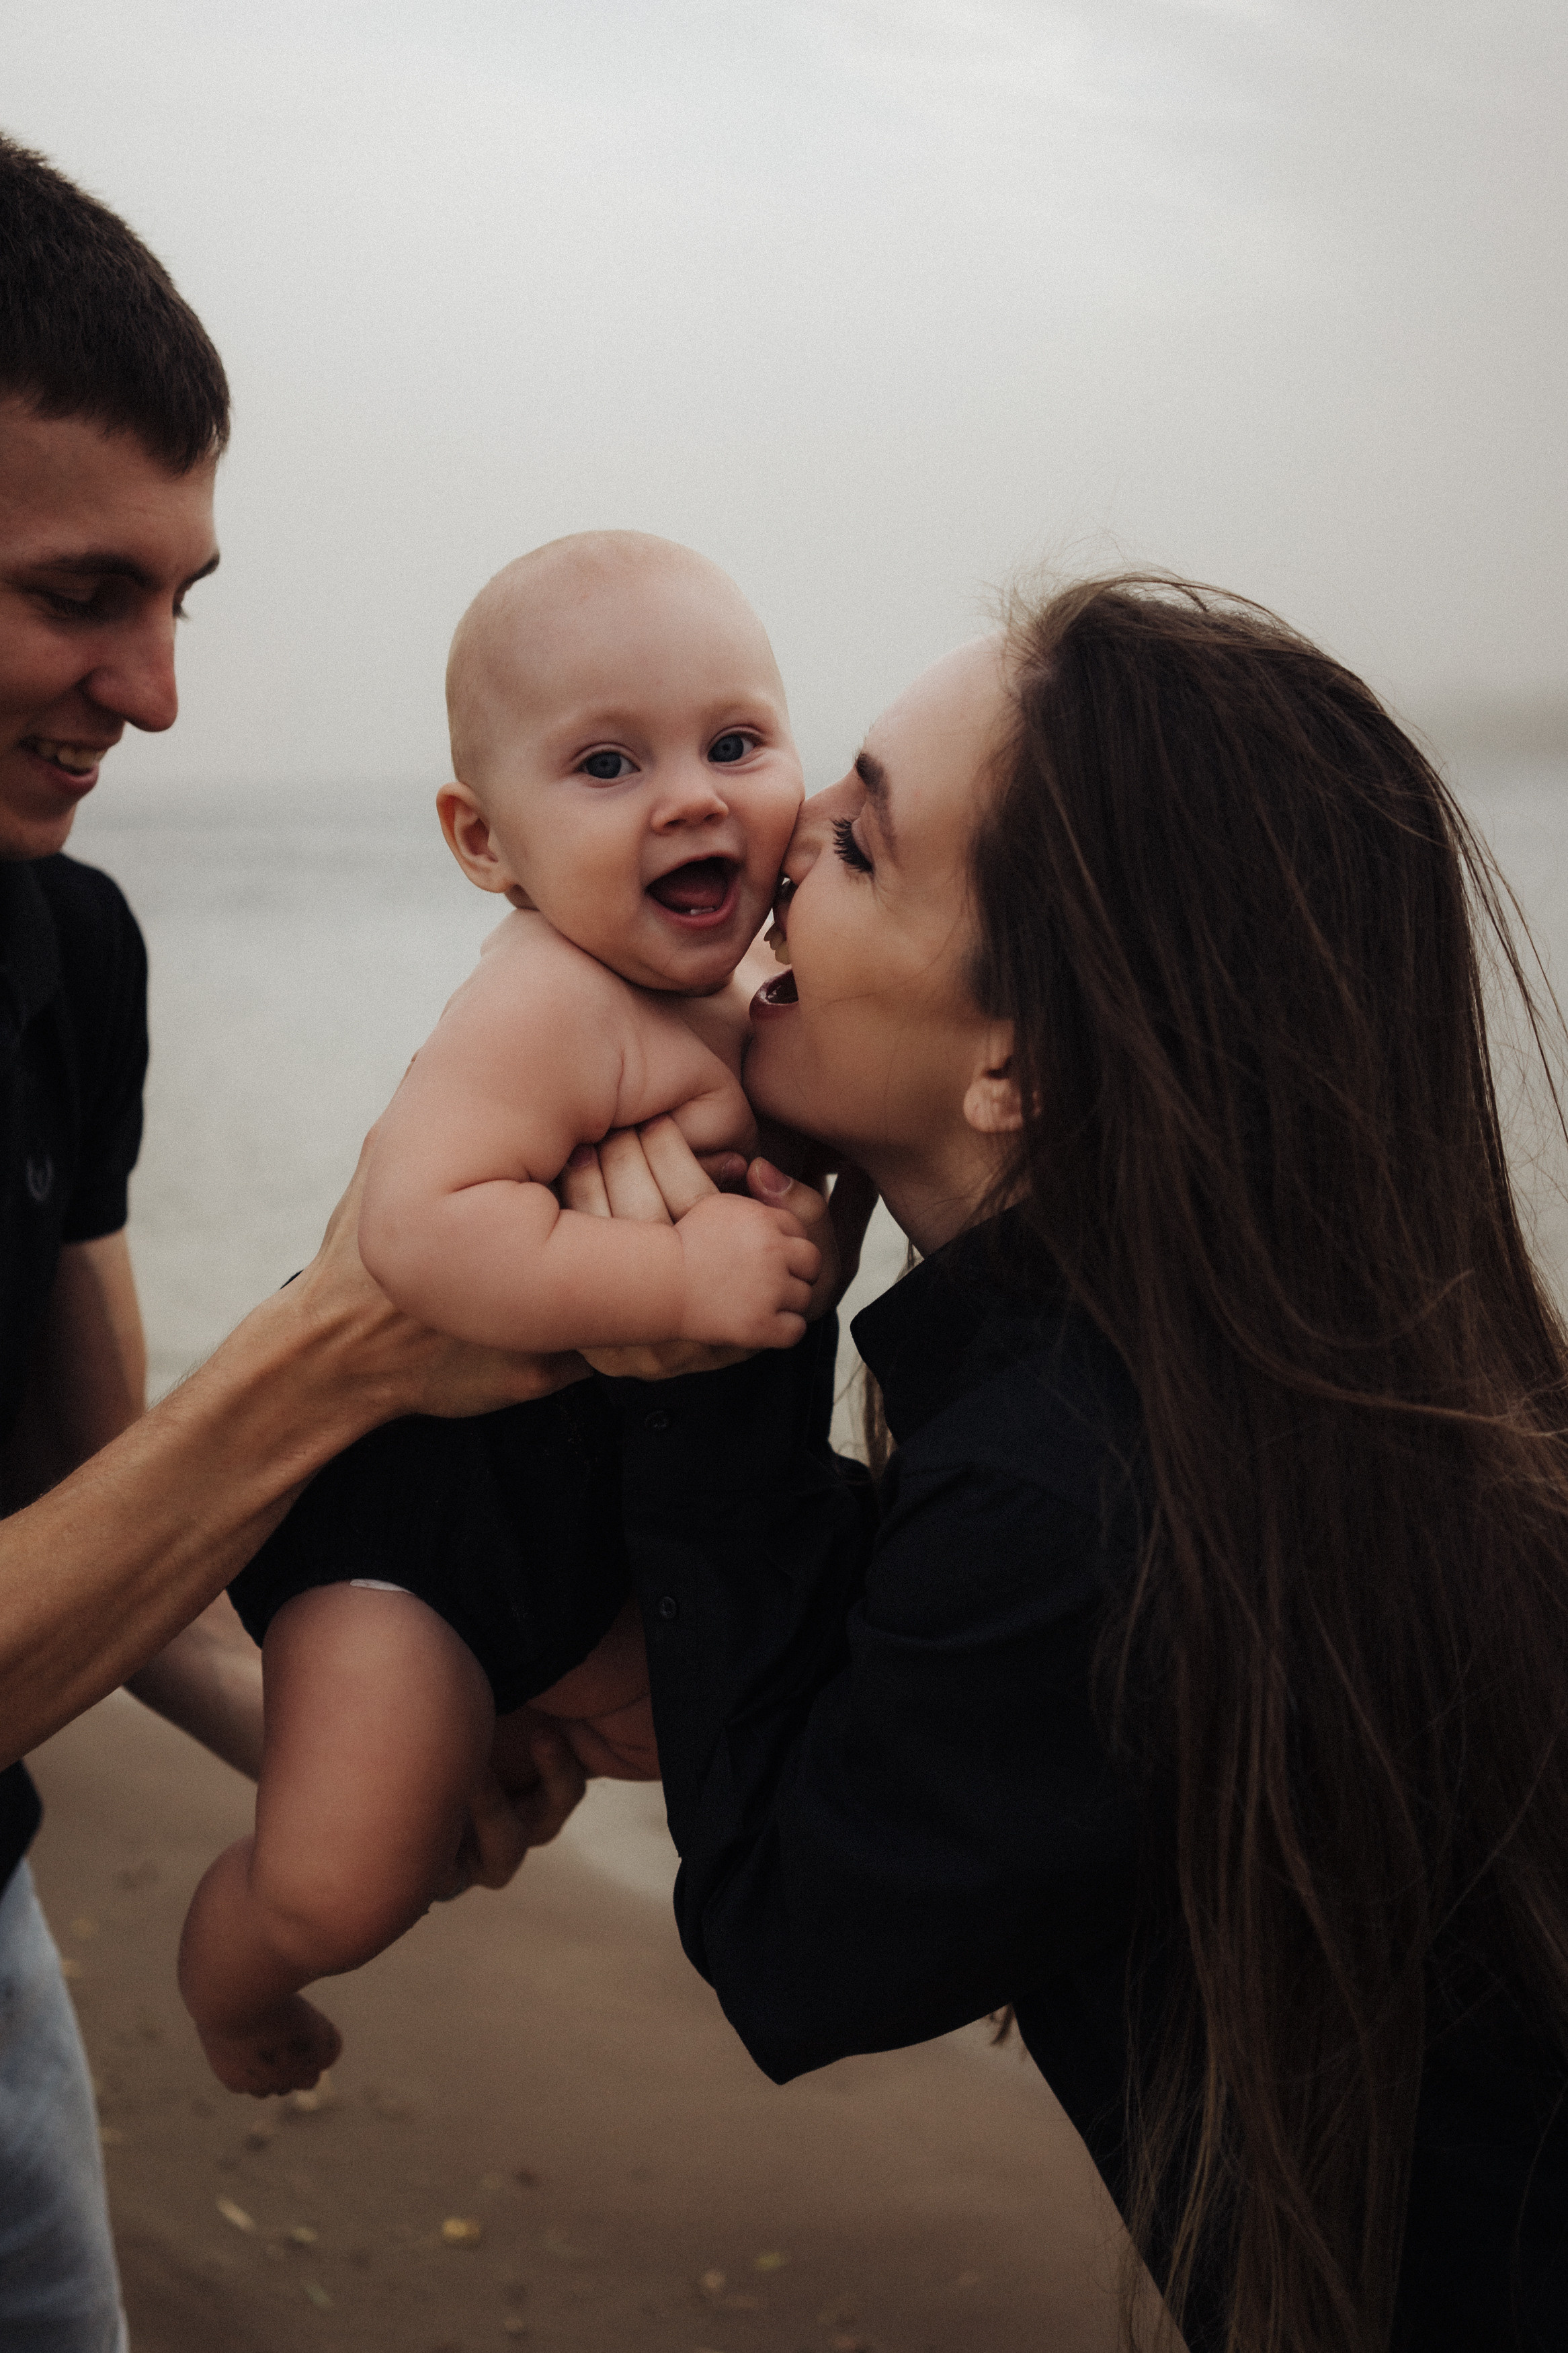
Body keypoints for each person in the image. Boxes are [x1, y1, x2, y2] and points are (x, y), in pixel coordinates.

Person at [565, 580, 1568, 2352]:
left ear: (1017, 1057)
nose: (778, 828)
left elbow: (792, 1933)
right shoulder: (1311, 1403)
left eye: (859, 839)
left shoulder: (1078, 1500)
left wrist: (723, 1335)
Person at [0, 131, 643, 2348]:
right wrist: (356, 1342)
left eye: (183, 598)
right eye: (82, 594)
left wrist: (331, 1732)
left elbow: (97, 1542)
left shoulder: (68, 958)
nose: (156, 690)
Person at [176, 529, 821, 2094]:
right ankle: (233, 1977)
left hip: (571, 1515)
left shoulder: (747, 1000)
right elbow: (414, 1229)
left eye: (737, 744)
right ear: (485, 839)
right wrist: (675, 1279)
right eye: (608, 764)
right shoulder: (543, 998)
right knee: (349, 1874)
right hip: (405, 1534)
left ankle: (537, 1710)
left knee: (717, 1719)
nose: (692, 794)